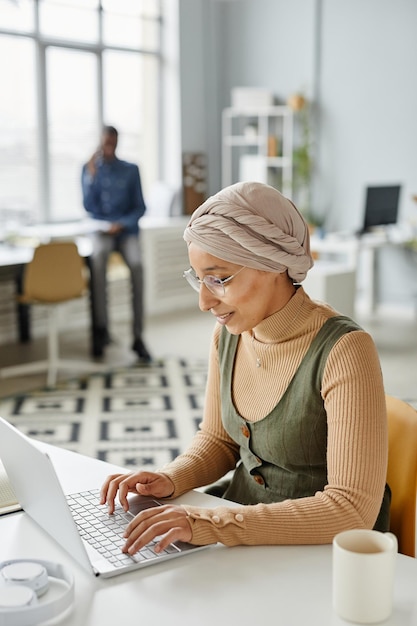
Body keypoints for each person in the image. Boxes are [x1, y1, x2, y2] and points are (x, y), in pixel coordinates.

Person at [100, 181, 389, 557]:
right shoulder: (229, 336)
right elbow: (219, 440)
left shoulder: (345, 350)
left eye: (218, 279)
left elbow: (351, 509)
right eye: (198, 279)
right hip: (241, 524)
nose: (204, 301)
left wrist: (213, 524)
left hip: (321, 553)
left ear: (271, 263)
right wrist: (170, 478)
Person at [81, 125, 151, 362]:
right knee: (97, 263)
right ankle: (101, 332)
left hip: (126, 231)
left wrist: (121, 223)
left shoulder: (131, 170)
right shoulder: (89, 170)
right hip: (101, 232)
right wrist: (90, 176)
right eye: (105, 142)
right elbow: (89, 208)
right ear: (100, 142)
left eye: (112, 141)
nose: (108, 145)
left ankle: (138, 337)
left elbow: (140, 207)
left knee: (138, 265)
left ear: (117, 141)